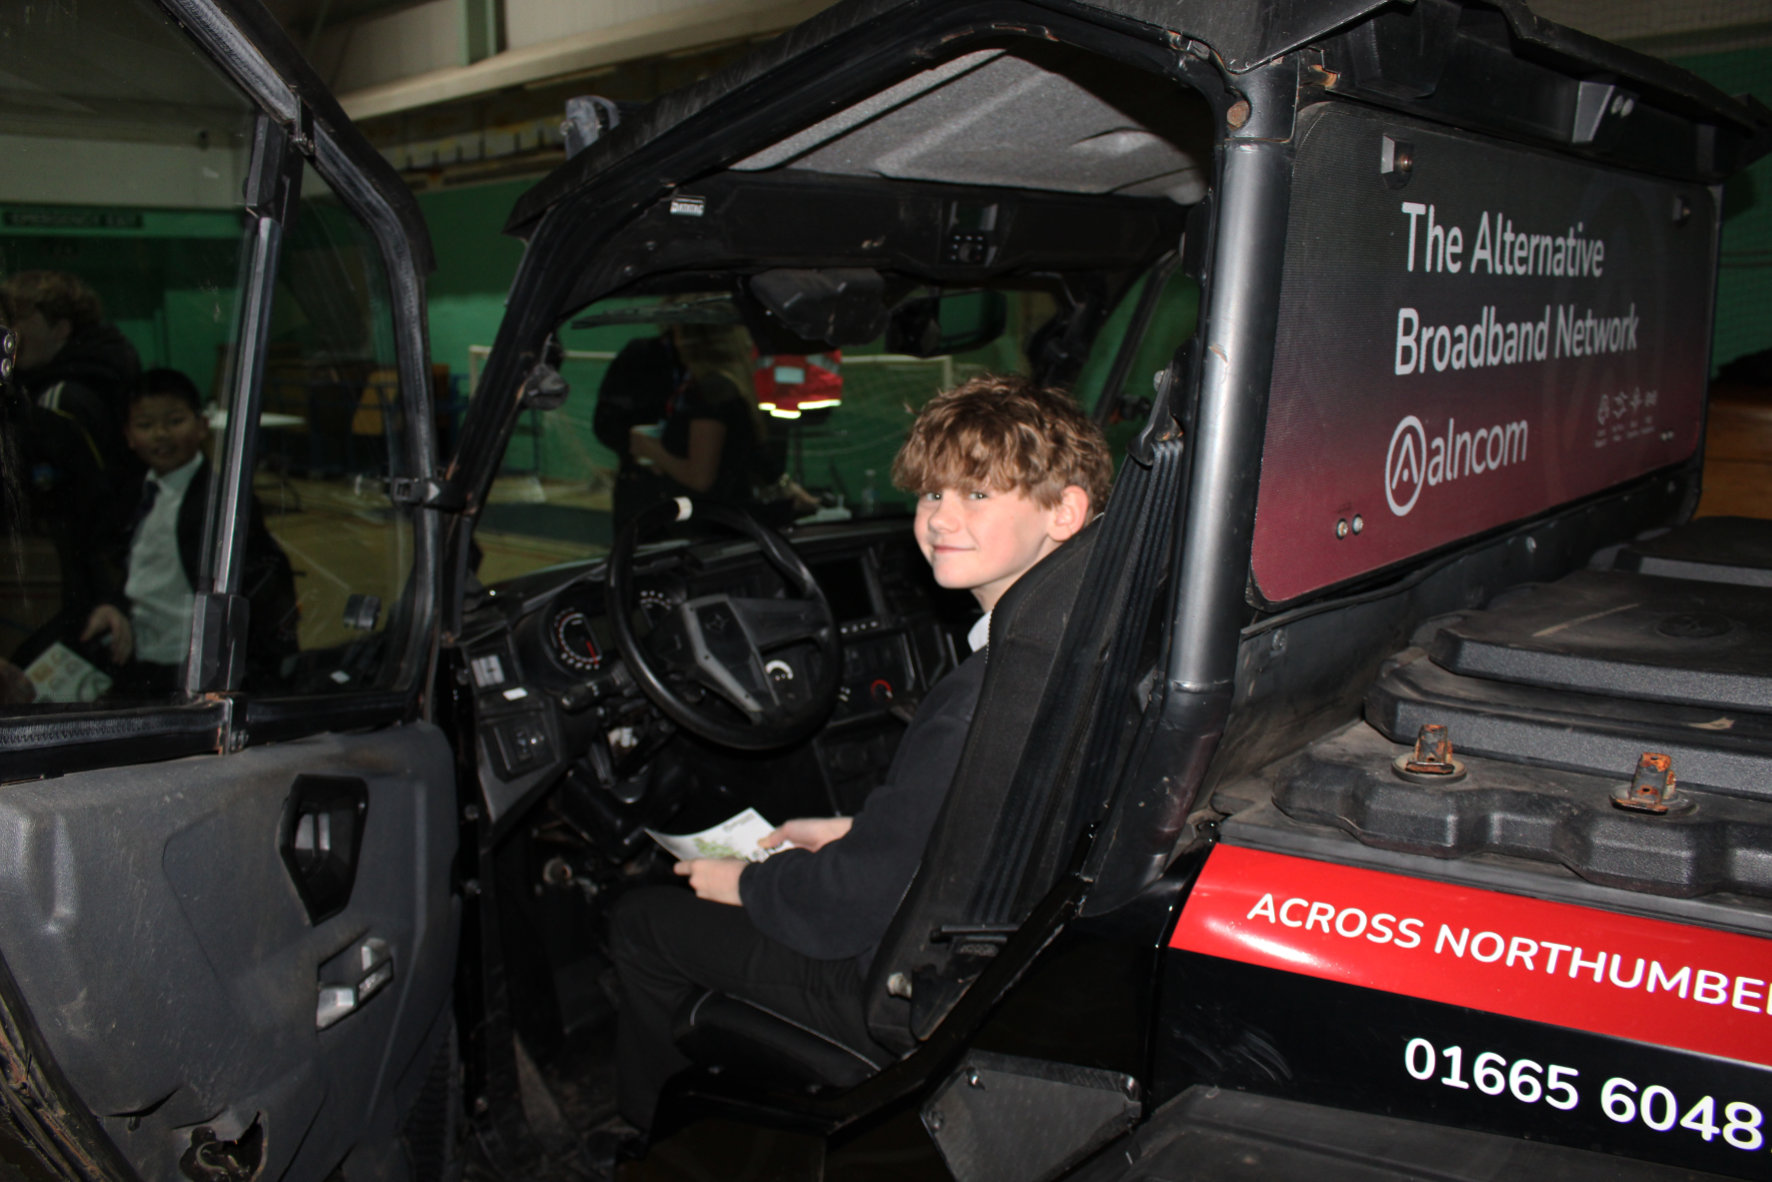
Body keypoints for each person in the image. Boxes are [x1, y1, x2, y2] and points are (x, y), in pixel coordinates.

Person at [606, 374, 1114, 1142]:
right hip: (1003, 948)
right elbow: (979, 810)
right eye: (931, 493)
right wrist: (854, 831)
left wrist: (745, 882)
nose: (940, 518)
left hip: (894, 980)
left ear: (1064, 513)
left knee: (642, 921)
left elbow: (847, 908)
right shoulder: (1075, 645)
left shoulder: (986, 694)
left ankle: (652, 1140)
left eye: (976, 494)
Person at [80, 369, 298, 696]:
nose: (160, 434)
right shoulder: (129, 495)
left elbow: (262, 586)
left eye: (175, 421)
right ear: (128, 436)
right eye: (145, 425)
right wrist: (111, 605)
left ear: (202, 425)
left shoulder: (222, 501)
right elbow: (111, 561)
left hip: (190, 667)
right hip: (134, 654)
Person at [620, 321, 769, 526]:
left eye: (679, 335)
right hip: (725, 516)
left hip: (707, 521)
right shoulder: (729, 384)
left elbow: (700, 478)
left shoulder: (712, 390)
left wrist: (650, 449)